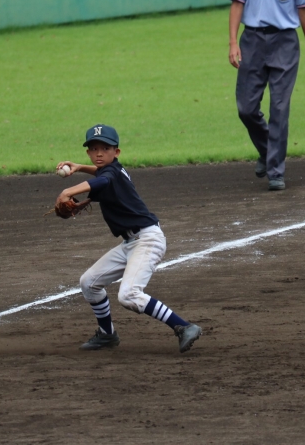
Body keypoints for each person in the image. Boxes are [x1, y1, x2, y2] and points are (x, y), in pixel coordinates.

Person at [54, 124, 202, 353]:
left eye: (105, 148)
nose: (99, 153)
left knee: (129, 295)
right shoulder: (110, 170)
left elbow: (103, 180)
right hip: (130, 243)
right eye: (94, 149)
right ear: (88, 152)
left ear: (116, 152)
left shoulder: (110, 174)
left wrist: (67, 192)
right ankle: (107, 334)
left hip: (147, 240)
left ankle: (184, 327)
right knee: (89, 282)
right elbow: (100, 174)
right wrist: (80, 167)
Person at [225, 0, 305, 191]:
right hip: (252, 40)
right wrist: (233, 42)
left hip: (285, 42)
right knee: (246, 108)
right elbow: (237, 4)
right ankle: (268, 150)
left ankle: (276, 171)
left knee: (279, 107)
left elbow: (304, 9)